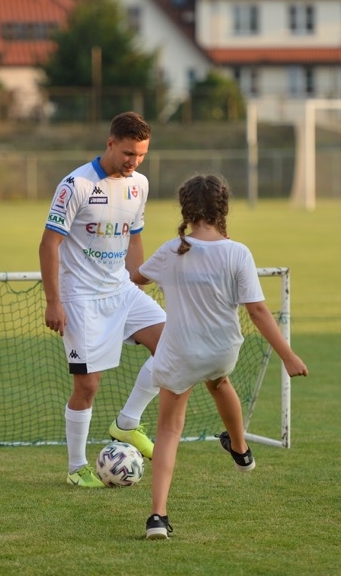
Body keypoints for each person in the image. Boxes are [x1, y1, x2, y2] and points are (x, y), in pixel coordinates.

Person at [129, 174, 308, 540]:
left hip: (179, 353)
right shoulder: (237, 253)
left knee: (168, 429)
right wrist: (287, 356)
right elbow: (257, 311)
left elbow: (136, 277)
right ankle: (240, 449)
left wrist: (133, 235)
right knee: (219, 381)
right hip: (221, 351)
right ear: (223, 207)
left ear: (187, 209)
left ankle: (157, 518)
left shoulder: (171, 250)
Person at [39, 111, 166, 488]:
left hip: (122, 290)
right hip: (80, 298)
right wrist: (53, 301)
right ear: (110, 143)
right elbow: (50, 243)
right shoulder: (75, 184)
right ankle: (77, 467)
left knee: (174, 347)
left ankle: (126, 424)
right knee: (87, 386)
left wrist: (137, 282)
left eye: (141, 155)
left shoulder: (139, 184)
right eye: (128, 153)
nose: (134, 162)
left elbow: (136, 236)